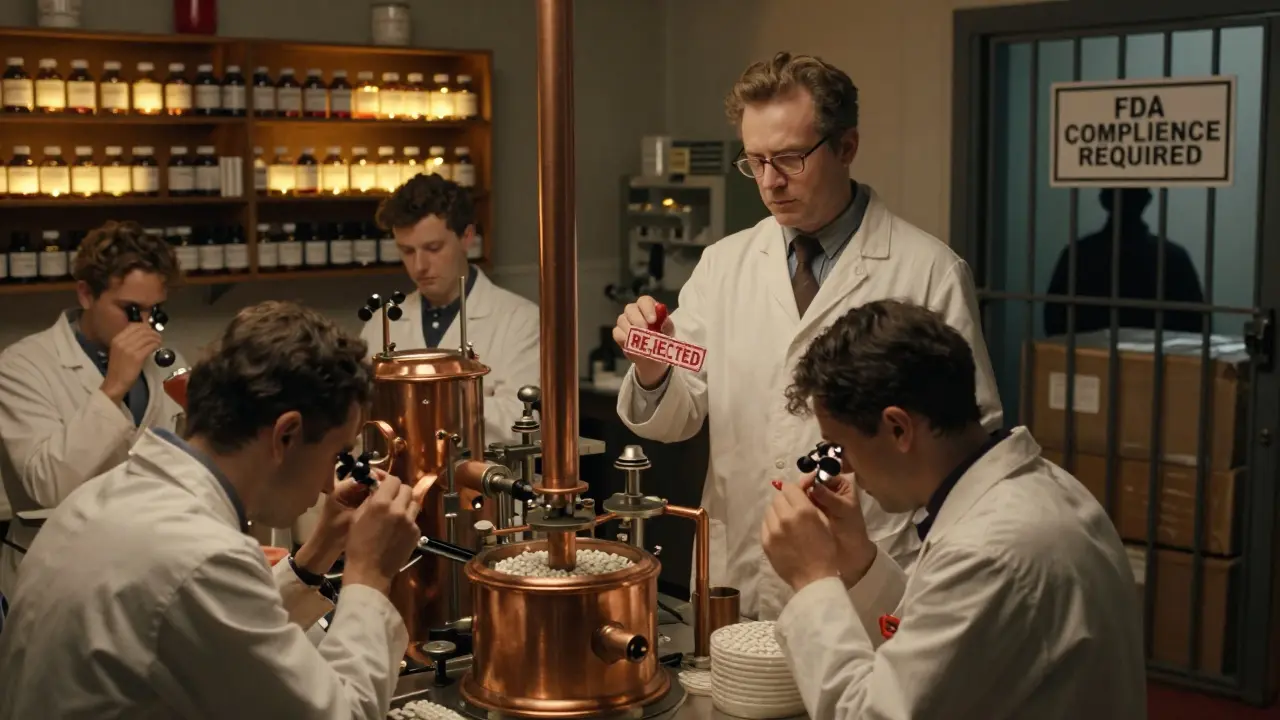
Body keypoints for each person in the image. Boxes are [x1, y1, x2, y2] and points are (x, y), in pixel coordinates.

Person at [613, 52, 1002, 620]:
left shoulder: (928, 272)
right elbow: (678, 417)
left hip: (865, 576)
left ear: (846, 147)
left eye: (790, 159)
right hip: (738, 571)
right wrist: (652, 367)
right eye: (755, 162)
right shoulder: (725, 265)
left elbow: (972, 439)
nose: (770, 182)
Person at [0, 301, 423, 719]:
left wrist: (321, 550)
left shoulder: (108, 496)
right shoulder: (197, 555)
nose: (330, 482)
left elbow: (217, 632)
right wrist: (369, 574)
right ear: (287, 435)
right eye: (336, 451)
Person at [761, 300, 1145, 719]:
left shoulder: (992, 550)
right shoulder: (1038, 489)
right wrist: (858, 558)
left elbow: (870, 713)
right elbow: (937, 643)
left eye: (840, 444)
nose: (843, 465)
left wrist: (812, 576)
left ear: (897, 428)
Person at [0, 221, 187, 598]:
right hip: (57, 574)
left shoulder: (165, 364)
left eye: (155, 312)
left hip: (147, 561)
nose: (147, 326)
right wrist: (113, 388)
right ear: (86, 294)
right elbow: (47, 486)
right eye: (132, 310)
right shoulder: (21, 366)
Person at [363, 173, 540, 446]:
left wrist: (423, 403)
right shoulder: (383, 321)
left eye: (433, 248)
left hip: (483, 482)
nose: (419, 266)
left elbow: (520, 423)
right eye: (407, 251)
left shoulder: (520, 321)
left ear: (467, 236)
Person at [1044, 187, 1205, 336]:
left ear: (1103, 200)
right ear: (1147, 200)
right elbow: (1196, 325)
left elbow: (1054, 322)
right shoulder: (1174, 257)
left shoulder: (1076, 254)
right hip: (1156, 364)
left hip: (1085, 363)